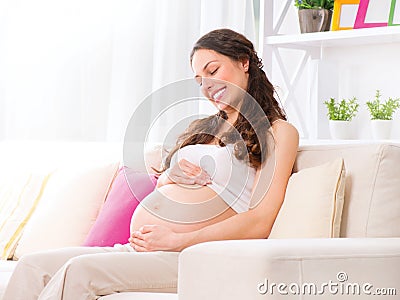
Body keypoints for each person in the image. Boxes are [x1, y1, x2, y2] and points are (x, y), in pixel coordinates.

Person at [3, 28, 299, 300]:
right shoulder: (205, 128)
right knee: (33, 266)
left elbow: (261, 219)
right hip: (148, 248)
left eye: (213, 70)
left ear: (244, 61)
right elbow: (166, 186)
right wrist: (172, 176)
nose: (207, 85)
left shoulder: (277, 131)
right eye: (199, 81)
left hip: (198, 254)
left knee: (79, 272)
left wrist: (177, 239)